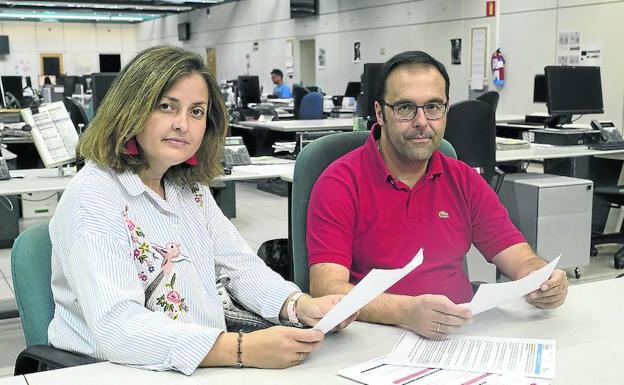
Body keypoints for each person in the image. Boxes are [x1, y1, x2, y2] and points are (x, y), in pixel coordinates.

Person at [48, 46, 355, 375]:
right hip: (116, 369)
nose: (182, 124)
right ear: (131, 109)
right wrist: (242, 348)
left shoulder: (187, 188)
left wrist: (299, 306)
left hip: (202, 362)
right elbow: (120, 329)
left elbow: (240, 267)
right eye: (166, 106)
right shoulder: (93, 195)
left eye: (196, 112)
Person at [306, 50, 568, 339]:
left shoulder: (464, 180)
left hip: (461, 338)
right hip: (373, 342)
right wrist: (407, 311)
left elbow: (521, 259)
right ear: (380, 113)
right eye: (405, 108)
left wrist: (544, 280)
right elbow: (327, 288)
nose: (422, 121)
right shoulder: (340, 182)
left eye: (433, 107)